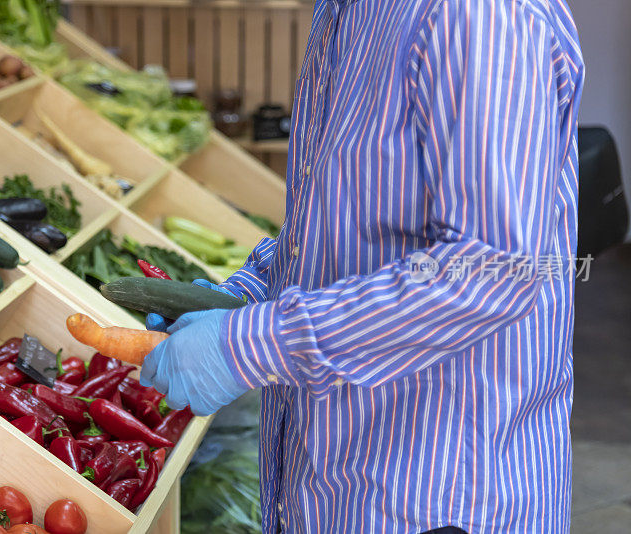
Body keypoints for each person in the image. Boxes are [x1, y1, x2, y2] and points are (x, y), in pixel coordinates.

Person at [142, 0, 584, 532]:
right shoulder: (348, 11)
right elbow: (348, 231)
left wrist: (249, 345)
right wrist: (242, 298)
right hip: (339, 483)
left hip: (438, 499)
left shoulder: (478, 14)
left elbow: (490, 271)